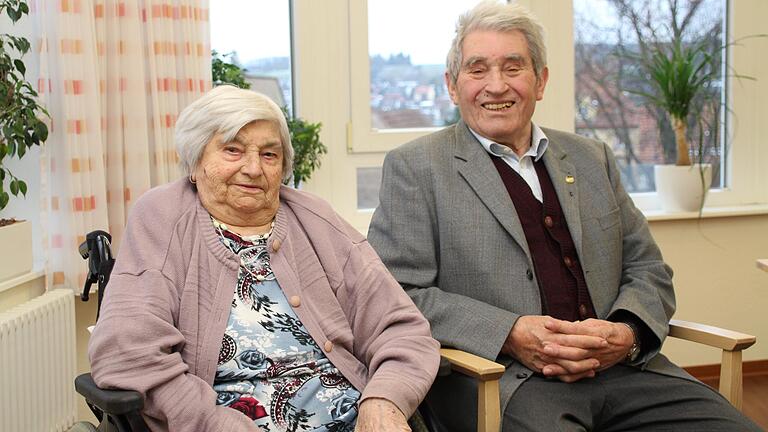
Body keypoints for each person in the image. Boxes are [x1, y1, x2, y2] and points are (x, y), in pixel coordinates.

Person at [367, 1, 760, 431]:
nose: (495, 86)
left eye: (513, 68)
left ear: (540, 81)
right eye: (477, 70)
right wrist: (511, 333)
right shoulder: (416, 168)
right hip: (506, 382)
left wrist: (627, 334)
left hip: (627, 372)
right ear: (452, 85)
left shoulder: (593, 158)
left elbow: (648, 268)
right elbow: (399, 293)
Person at [89, 85, 439, 432]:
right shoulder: (162, 217)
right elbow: (127, 351)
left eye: (269, 155)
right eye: (232, 150)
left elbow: (402, 329)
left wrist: (383, 402)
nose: (254, 168)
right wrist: (211, 423)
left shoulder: (315, 219)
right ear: (195, 162)